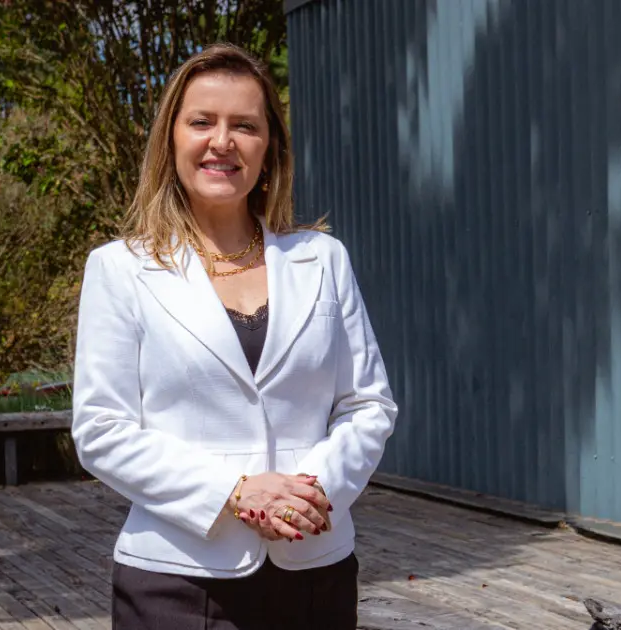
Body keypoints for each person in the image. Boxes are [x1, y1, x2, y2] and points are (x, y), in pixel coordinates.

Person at [71, 42, 398, 629]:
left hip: (314, 572)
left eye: (244, 125)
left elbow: (368, 404)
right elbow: (102, 431)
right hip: (175, 579)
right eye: (202, 121)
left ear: (269, 146)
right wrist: (236, 491)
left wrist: (309, 494)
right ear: (171, 139)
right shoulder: (118, 269)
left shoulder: (323, 259)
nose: (222, 141)